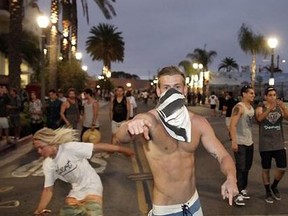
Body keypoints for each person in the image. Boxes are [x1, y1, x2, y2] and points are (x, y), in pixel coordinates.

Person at [114, 66, 238, 216]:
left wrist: (231, 178)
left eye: (177, 87)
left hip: (193, 204)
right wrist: (130, 125)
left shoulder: (198, 122)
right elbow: (121, 136)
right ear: (158, 92)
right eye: (166, 87)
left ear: (184, 90)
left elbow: (223, 155)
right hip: (166, 210)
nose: (172, 92)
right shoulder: (151, 120)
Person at [32, 127, 134, 216]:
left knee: (93, 212)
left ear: (51, 142)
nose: (39, 151)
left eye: (41, 147)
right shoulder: (48, 164)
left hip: (92, 186)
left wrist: (122, 149)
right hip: (76, 191)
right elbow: (48, 190)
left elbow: (98, 147)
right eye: (37, 149)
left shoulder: (70, 148)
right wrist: (39, 210)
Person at [255, 86, 288, 203]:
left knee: (283, 167)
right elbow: (259, 118)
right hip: (265, 144)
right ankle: (268, 191)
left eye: (274, 95)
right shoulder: (260, 107)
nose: (273, 97)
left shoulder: (279, 107)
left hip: (278, 143)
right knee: (266, 169)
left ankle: (274, 186)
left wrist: (283, 107)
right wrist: (270, 109)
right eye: (270, 95)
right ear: (265, 97)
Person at [229, 85, 255, 206]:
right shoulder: (239, 107)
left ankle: (242, 188)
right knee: (241, 167)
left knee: (247, 167)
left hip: (249, 142)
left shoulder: (251, 108)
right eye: (251, 93)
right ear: (244, 94)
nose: (253, 95)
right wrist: (234, 141)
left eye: (253, 93)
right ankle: (236, 193)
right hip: (240, 141)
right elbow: (232, 125)